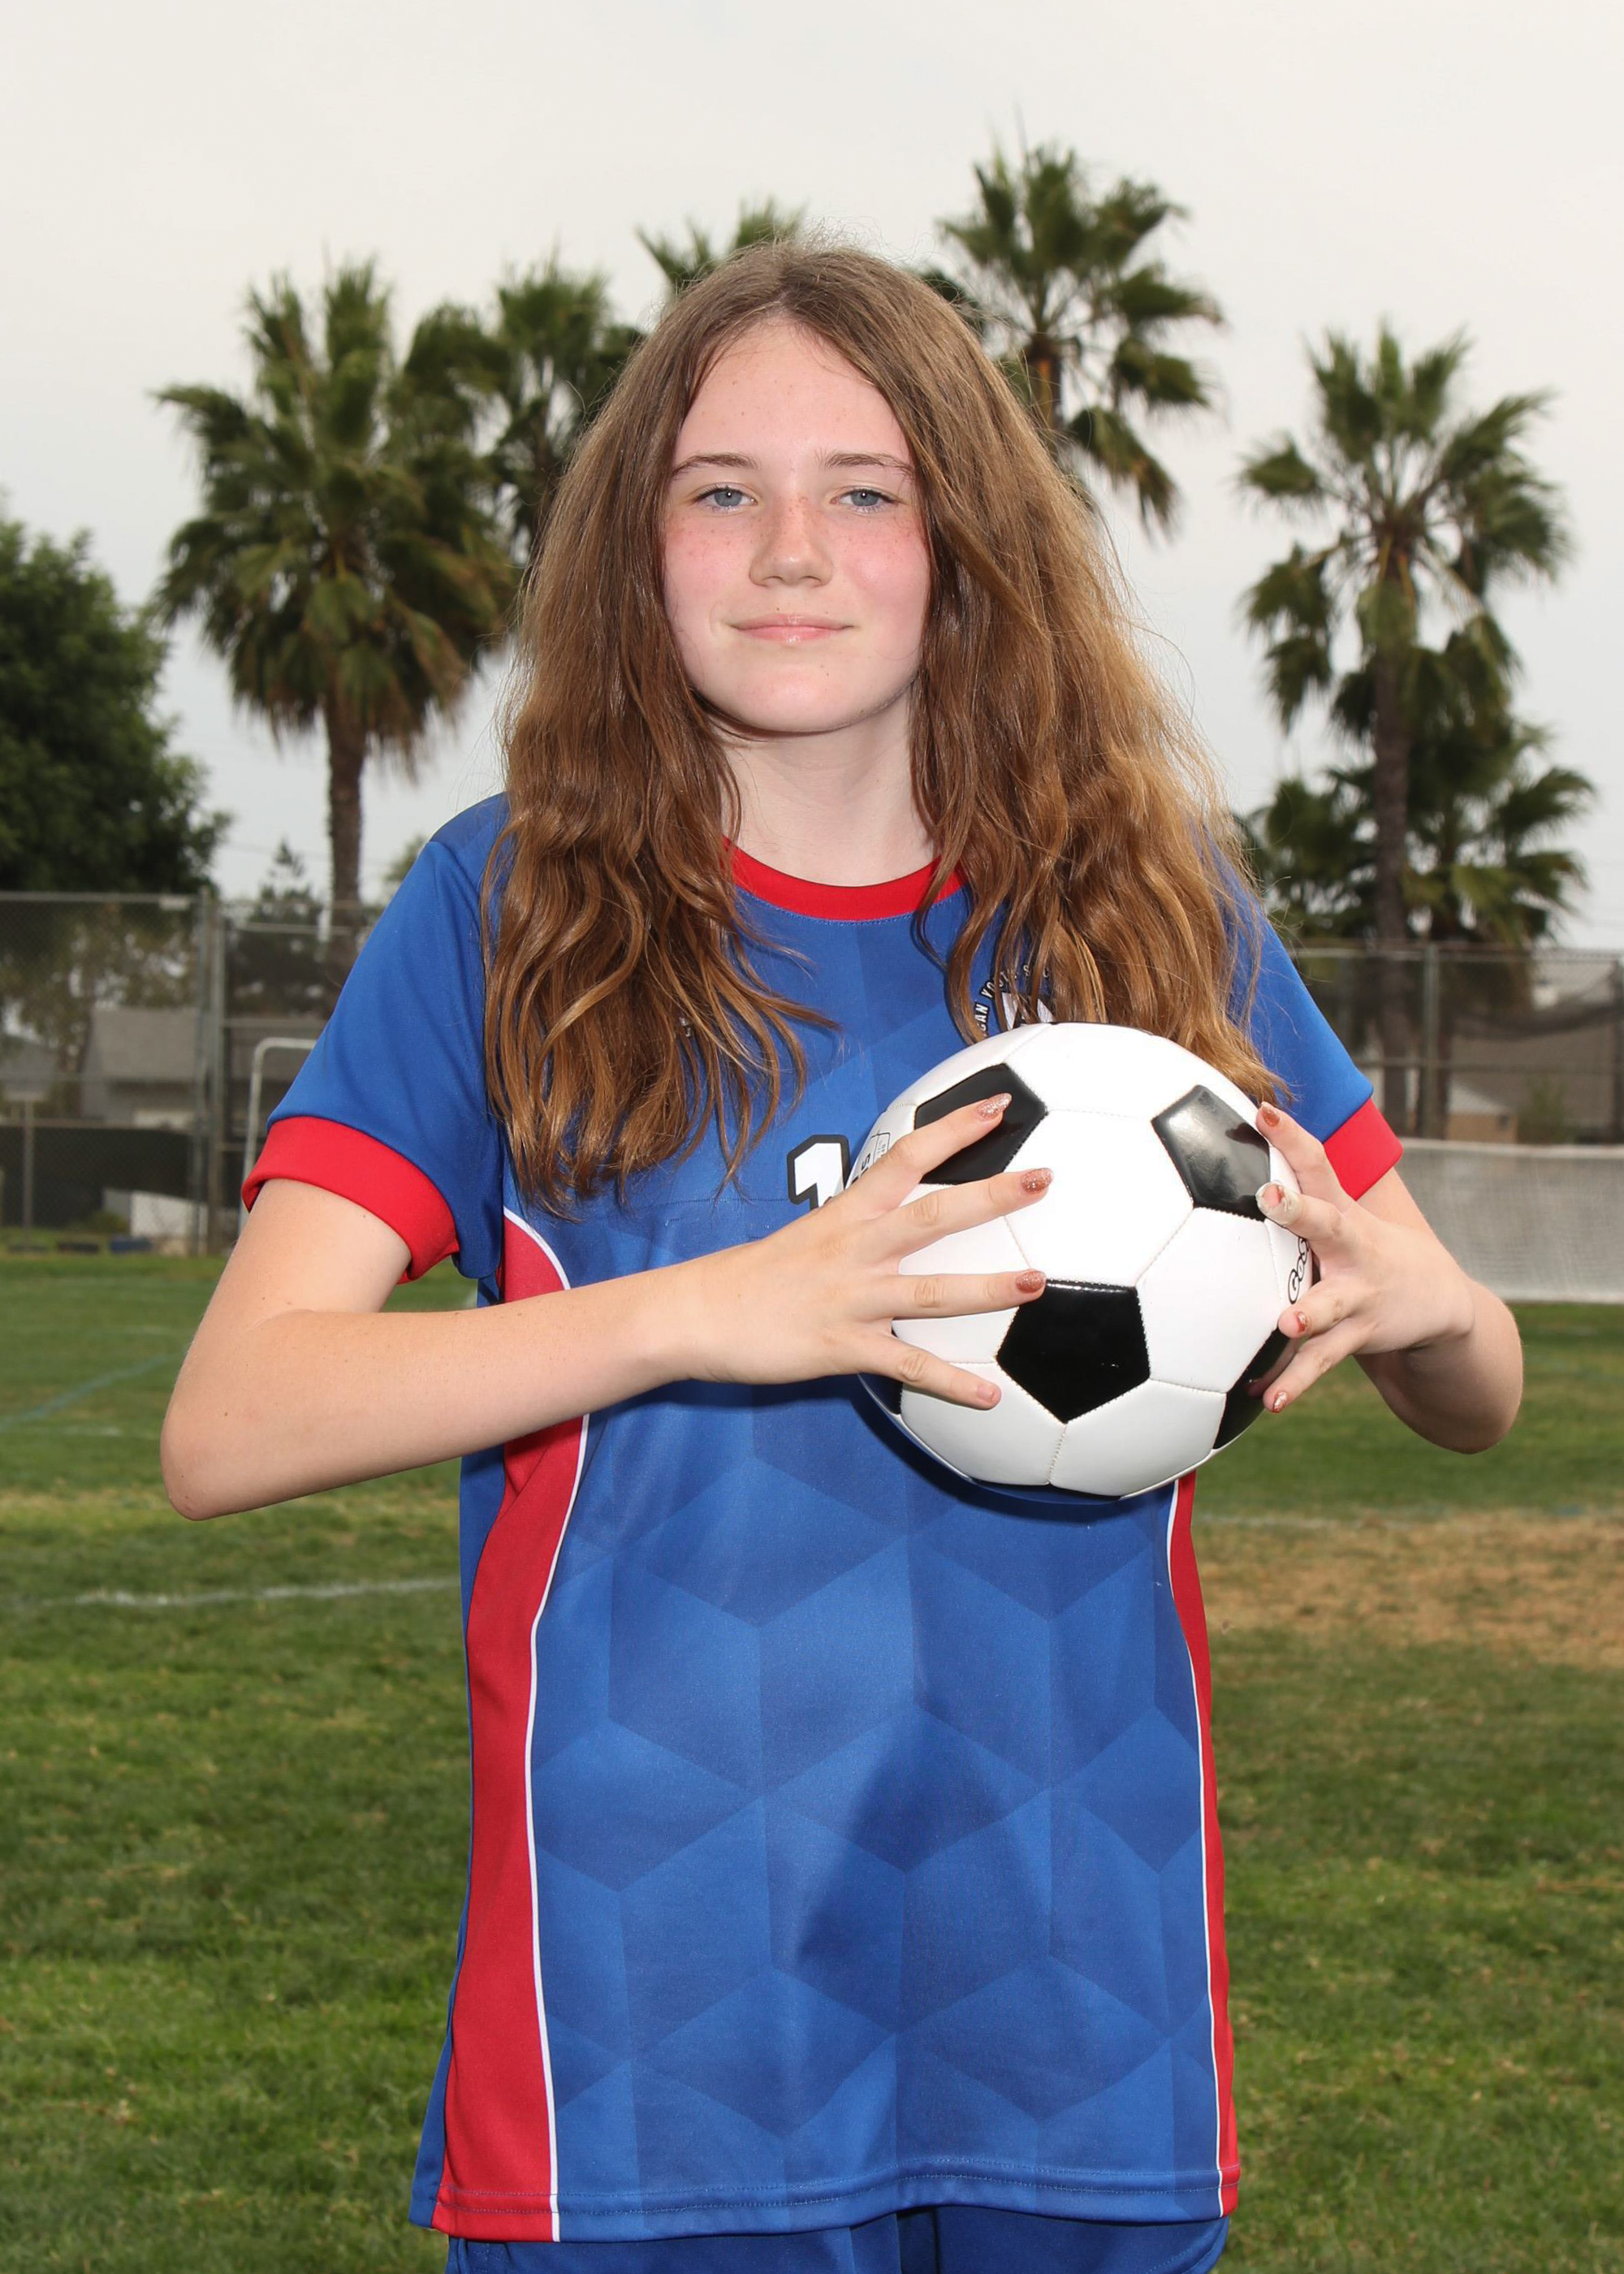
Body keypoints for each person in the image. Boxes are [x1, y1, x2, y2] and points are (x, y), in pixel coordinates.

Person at [162, 244, 1522, 2274]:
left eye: (864, 489)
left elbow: (1475, 1388)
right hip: (652, 2036)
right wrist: (712, 1308)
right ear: (637, 548)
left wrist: (1435, 1310)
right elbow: (231, 1418)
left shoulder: (1145, 911)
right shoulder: (505, 907)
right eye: (719, 489)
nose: (789, 547)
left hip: (1078, 2003)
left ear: (961, 540)